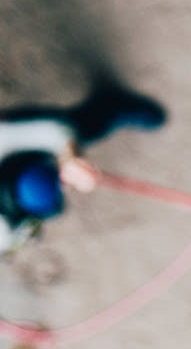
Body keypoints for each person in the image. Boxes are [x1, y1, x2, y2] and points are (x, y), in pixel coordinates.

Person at [0, 85, 166, 254]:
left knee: (76, 128)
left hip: (15, 145)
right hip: (18, 194)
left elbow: (52, 130)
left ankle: (108, 109)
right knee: (39, 192)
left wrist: (70, 157)